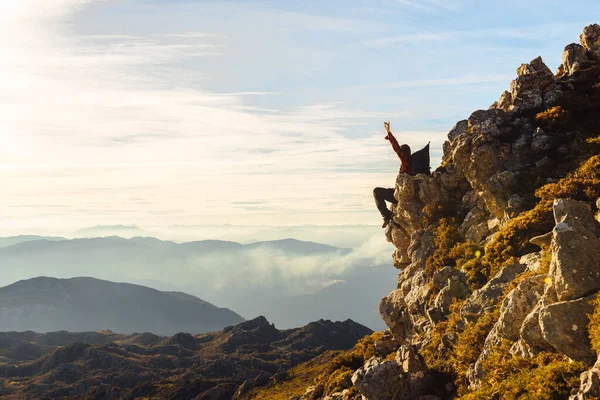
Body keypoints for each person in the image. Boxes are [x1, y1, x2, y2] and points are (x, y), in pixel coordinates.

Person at [374, 121, 412, 228]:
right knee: (379, 192)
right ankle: (388, 215)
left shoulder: (406, 162)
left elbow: (397, 148)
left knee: (377, 192)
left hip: (399, 196)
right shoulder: (412, 164)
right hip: (400, 193)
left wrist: (389, 133)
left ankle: (387, 215)